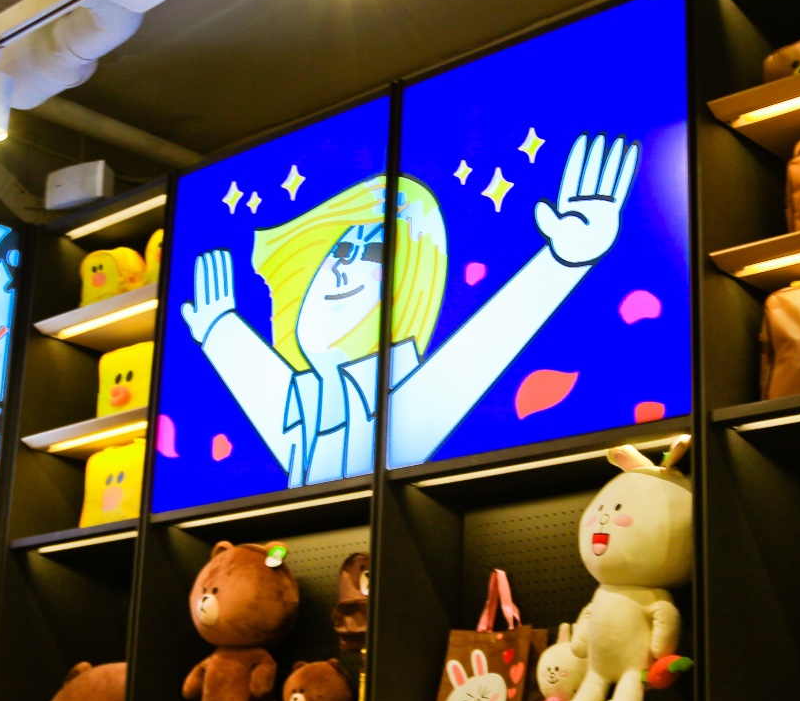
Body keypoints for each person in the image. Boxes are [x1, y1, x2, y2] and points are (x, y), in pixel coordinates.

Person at [179, 130, 642, 481]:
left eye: (373, 255)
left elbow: (483, 346)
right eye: (340, 251)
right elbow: (269, 393)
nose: (341, 268)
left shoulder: (401, 409)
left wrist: (562, 262)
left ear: (405, 291)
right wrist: (220, 329)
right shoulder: (307, 405)